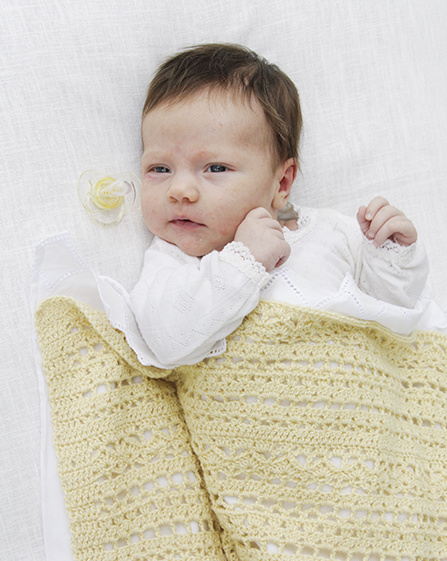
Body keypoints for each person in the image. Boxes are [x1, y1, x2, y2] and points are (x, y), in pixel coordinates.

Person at [116, 43, 428, 369]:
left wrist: (390, 256)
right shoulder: (173, 260)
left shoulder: (330, 233)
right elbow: (165, 342)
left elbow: (394, 314)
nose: (179, 191)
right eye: (160, 169)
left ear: (281, 184)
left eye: (215, 168)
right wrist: (243, 261)